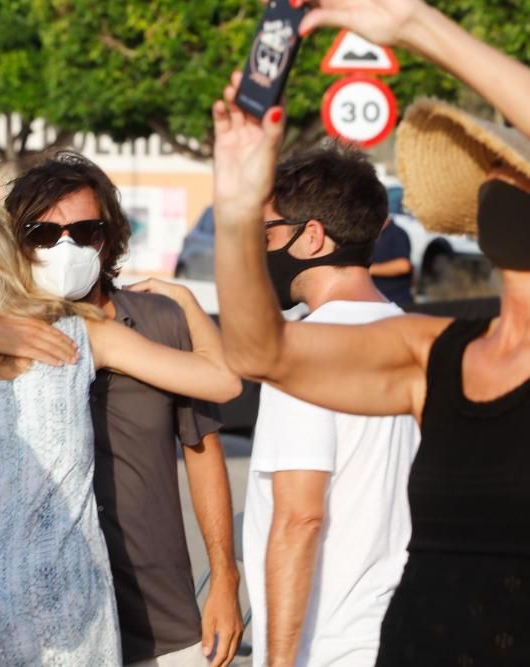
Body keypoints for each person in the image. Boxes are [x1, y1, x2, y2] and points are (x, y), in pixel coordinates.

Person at [213, 0, 530, 663]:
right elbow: (257, 350)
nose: (501, 183)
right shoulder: (439, 350)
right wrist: (238, 205)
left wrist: (415, 26)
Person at [0, 153, 245, 667]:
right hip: (50, 616)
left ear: (109, 237)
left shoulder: (135, 323)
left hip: (149, 617)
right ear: (15, 245)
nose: (65, 247)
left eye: (84, 232)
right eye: (42, 234)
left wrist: (184, 304)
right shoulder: (41, 336)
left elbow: (209, 430)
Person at [241, 145, 420, 667]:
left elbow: (300, 519)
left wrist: (278, 661)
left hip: (327, 645)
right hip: (401, 631)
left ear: (312, 236)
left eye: (268, 234)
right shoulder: (416, 340)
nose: (261, 251)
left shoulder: (302, 353)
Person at [369, 218, 413, 306]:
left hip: (396, 300)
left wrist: (371, 269)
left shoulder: (397, 234)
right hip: (375, 300)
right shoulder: (368, 235)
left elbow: (404, 266)